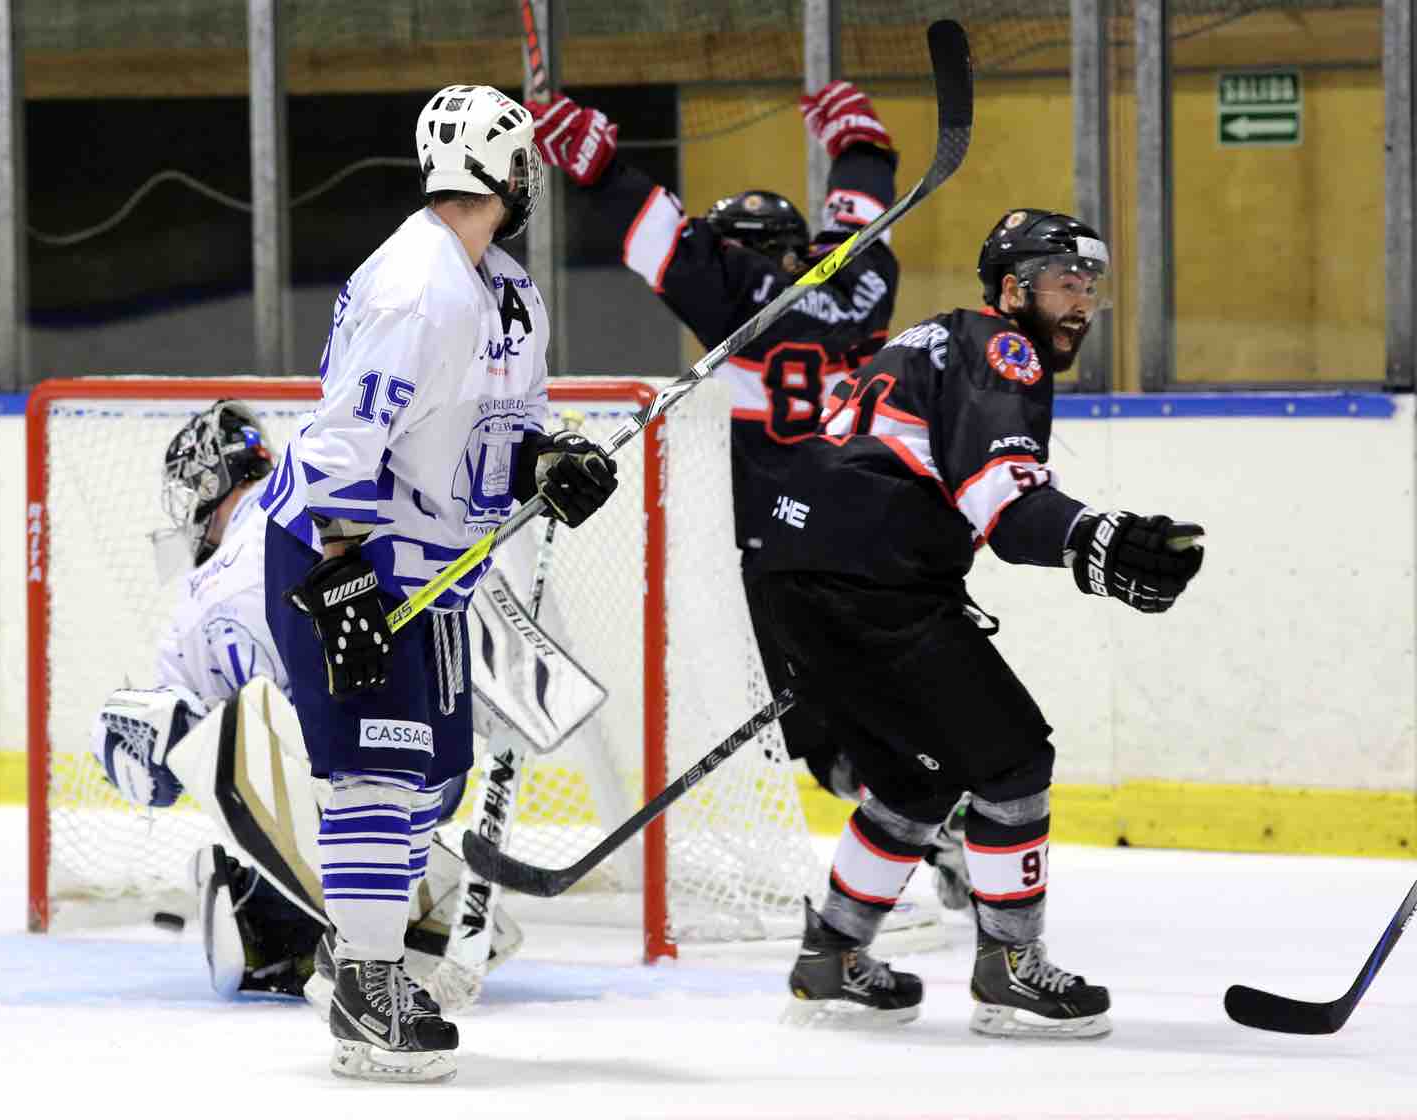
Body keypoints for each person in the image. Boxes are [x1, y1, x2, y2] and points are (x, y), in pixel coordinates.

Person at [756, 209, 1205, 1038]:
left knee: (915, 783)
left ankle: (831, 958)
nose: (1081, 302)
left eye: (1091, 286)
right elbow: (1005, 505)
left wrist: (1089, 542)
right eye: (1064, 282)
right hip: (871, 587)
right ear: (1012, 289)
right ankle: (1009, 970)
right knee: (1013, 760)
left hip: (797, 578)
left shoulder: (933, 338)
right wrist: (1102, 539)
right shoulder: (1002, 347)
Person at [529, 82, 970, 914]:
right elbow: (861, 219)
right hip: (880, 530)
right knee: (883, 703)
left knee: (814, 731)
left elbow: (662, 239)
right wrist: (861, 149)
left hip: (787, 548)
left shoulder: (737, 292)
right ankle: (948, 820)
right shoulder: (862, 281)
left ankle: (927, 816)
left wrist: (600, 167)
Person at [256, 83, 619, 1083]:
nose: (530, 177)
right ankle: (366, 989)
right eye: (523, 161)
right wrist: (341, 579)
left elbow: (509, 428)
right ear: (501, 169)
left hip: (435, 570)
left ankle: (350, 952)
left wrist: (551, 462)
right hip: (347, 555)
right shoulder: (418, 287)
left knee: (432, 777)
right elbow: (342, 442)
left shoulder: (506, 286)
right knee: (377, 770)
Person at [93, 400, 524, 1004]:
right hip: (430, 762)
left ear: (210, 478)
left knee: (183, 731)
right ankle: (391, 912)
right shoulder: (308, 506)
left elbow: (182, 738)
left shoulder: (211, 585)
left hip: (337, 780)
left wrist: (146, 743)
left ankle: (277, 917)